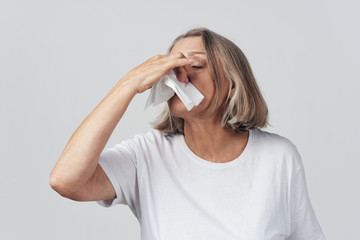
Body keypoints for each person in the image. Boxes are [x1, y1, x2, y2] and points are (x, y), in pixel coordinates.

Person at [50, 27, 327, 240]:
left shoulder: (278, 156)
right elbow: (66, 180)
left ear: (232, 85)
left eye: (195, 66)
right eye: (171, 68)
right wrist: (128, 85)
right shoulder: (145, 155)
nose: (178, 77)